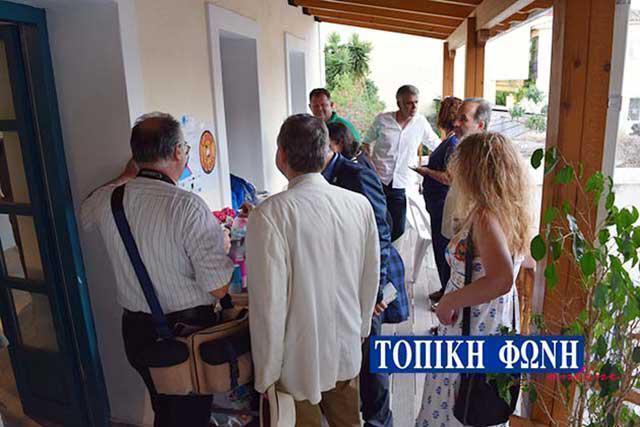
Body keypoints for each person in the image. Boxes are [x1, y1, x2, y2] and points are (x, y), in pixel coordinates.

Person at [80, 112, 234, 427]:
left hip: (137, 333)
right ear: (178, 152)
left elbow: (84, 213)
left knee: (164, 409)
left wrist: (126, 175)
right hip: (188, 335)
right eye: (186, 149)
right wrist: (222, 245)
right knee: (189, 416)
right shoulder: (187, 205)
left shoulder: (109, 200)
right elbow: (219, 287)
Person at [246, 114, 380, 427]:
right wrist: (360, 331)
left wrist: (266, 375)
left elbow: (268, 305)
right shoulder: (358, 205)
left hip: (296, 361)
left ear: (281, 155)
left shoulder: (269, 214)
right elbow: (370, 278)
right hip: (345, 346)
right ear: (325, 152)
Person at [415, 132, 532, 427]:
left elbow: (501, 279)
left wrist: (449, 301)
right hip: (489, 324)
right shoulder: (509, 211)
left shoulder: (485, 217)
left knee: (457, 403)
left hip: (471, 325)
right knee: (475, 399)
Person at [324, 124, 409, 427]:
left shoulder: (356, 174)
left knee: (372, 359)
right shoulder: (325, 177)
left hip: (369, 282)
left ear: (331, 145)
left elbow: (381, 232)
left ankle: (379, 421)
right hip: (349, 281)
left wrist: (376, 292)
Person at [363, 84, 440, 242]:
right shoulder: (382, 120)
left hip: (402, 184)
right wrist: (370, 167)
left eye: (416, 102)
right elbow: (365, 143)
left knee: (398, 229)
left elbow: (437, 146)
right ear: (399, 103)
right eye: (409, 103)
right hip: (379, 181)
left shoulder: (421, 123)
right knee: (376, 225)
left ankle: (391, 255)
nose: (414, 107)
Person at [412, 96, 462, 302]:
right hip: (437, 203)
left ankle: (448, 293)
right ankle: (444, 288)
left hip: (443, 203)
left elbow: (449, 178)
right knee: (439, 246)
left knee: (443, 247)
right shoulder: (449, 140)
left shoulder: (453, 143)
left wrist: (425, 171)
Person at [441, 97, 493, 241]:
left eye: (463, 119)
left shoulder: (488, 159)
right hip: (453, 232)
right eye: (456, 118)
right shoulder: (463, 151)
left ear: (480, 125)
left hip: (469, 238)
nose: (455, 123)